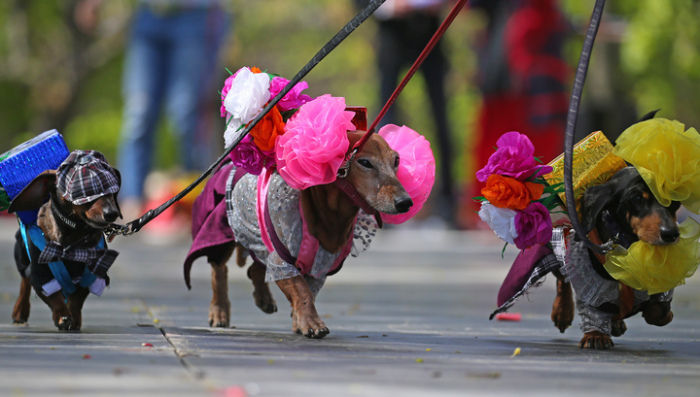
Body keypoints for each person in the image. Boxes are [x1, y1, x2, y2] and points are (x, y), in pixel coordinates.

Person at [76, 0, 231, 221]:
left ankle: (196, 204)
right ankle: (131, 201)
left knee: (186, 112)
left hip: (197, 16)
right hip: (149, 16)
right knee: (139, 111)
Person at [460, 0, 571, 228]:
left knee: (539, 141)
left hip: (532, 71)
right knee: (499, 140)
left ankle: (536, 205)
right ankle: (491, 206)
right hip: (507, 70)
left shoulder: (539, 15)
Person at [356, 0, 457, 226]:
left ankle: (447, 204)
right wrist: (391, 7)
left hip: (430, 33)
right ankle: (382, 199)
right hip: (393, 35)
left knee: (440, 119)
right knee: (385, 119)